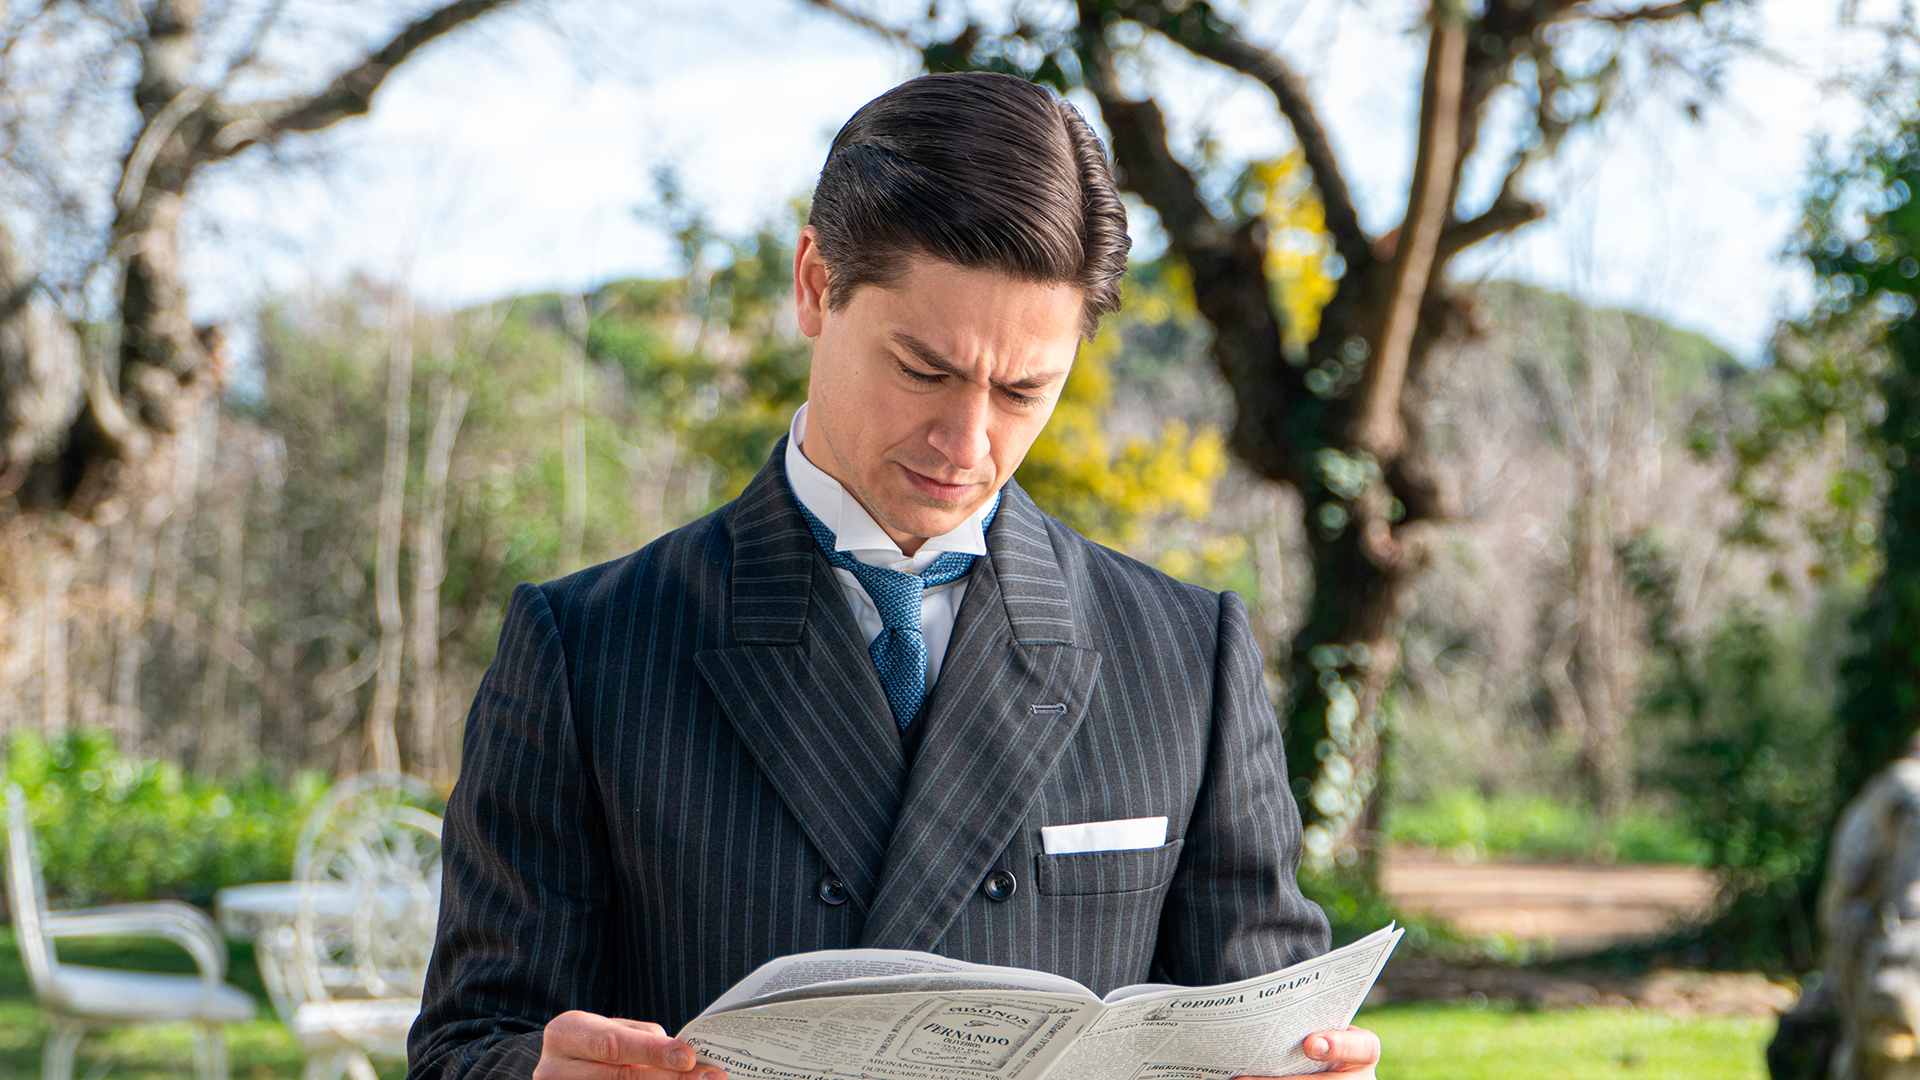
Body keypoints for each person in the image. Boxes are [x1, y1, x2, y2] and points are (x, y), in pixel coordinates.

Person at [407, 70, 1384, 1080]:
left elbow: (1265, 1027)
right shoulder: (586, 649)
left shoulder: (1185, 655)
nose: (967, 442)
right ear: (814, 284)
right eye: (925, 370)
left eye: (1023, 390)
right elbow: (464, 1046)